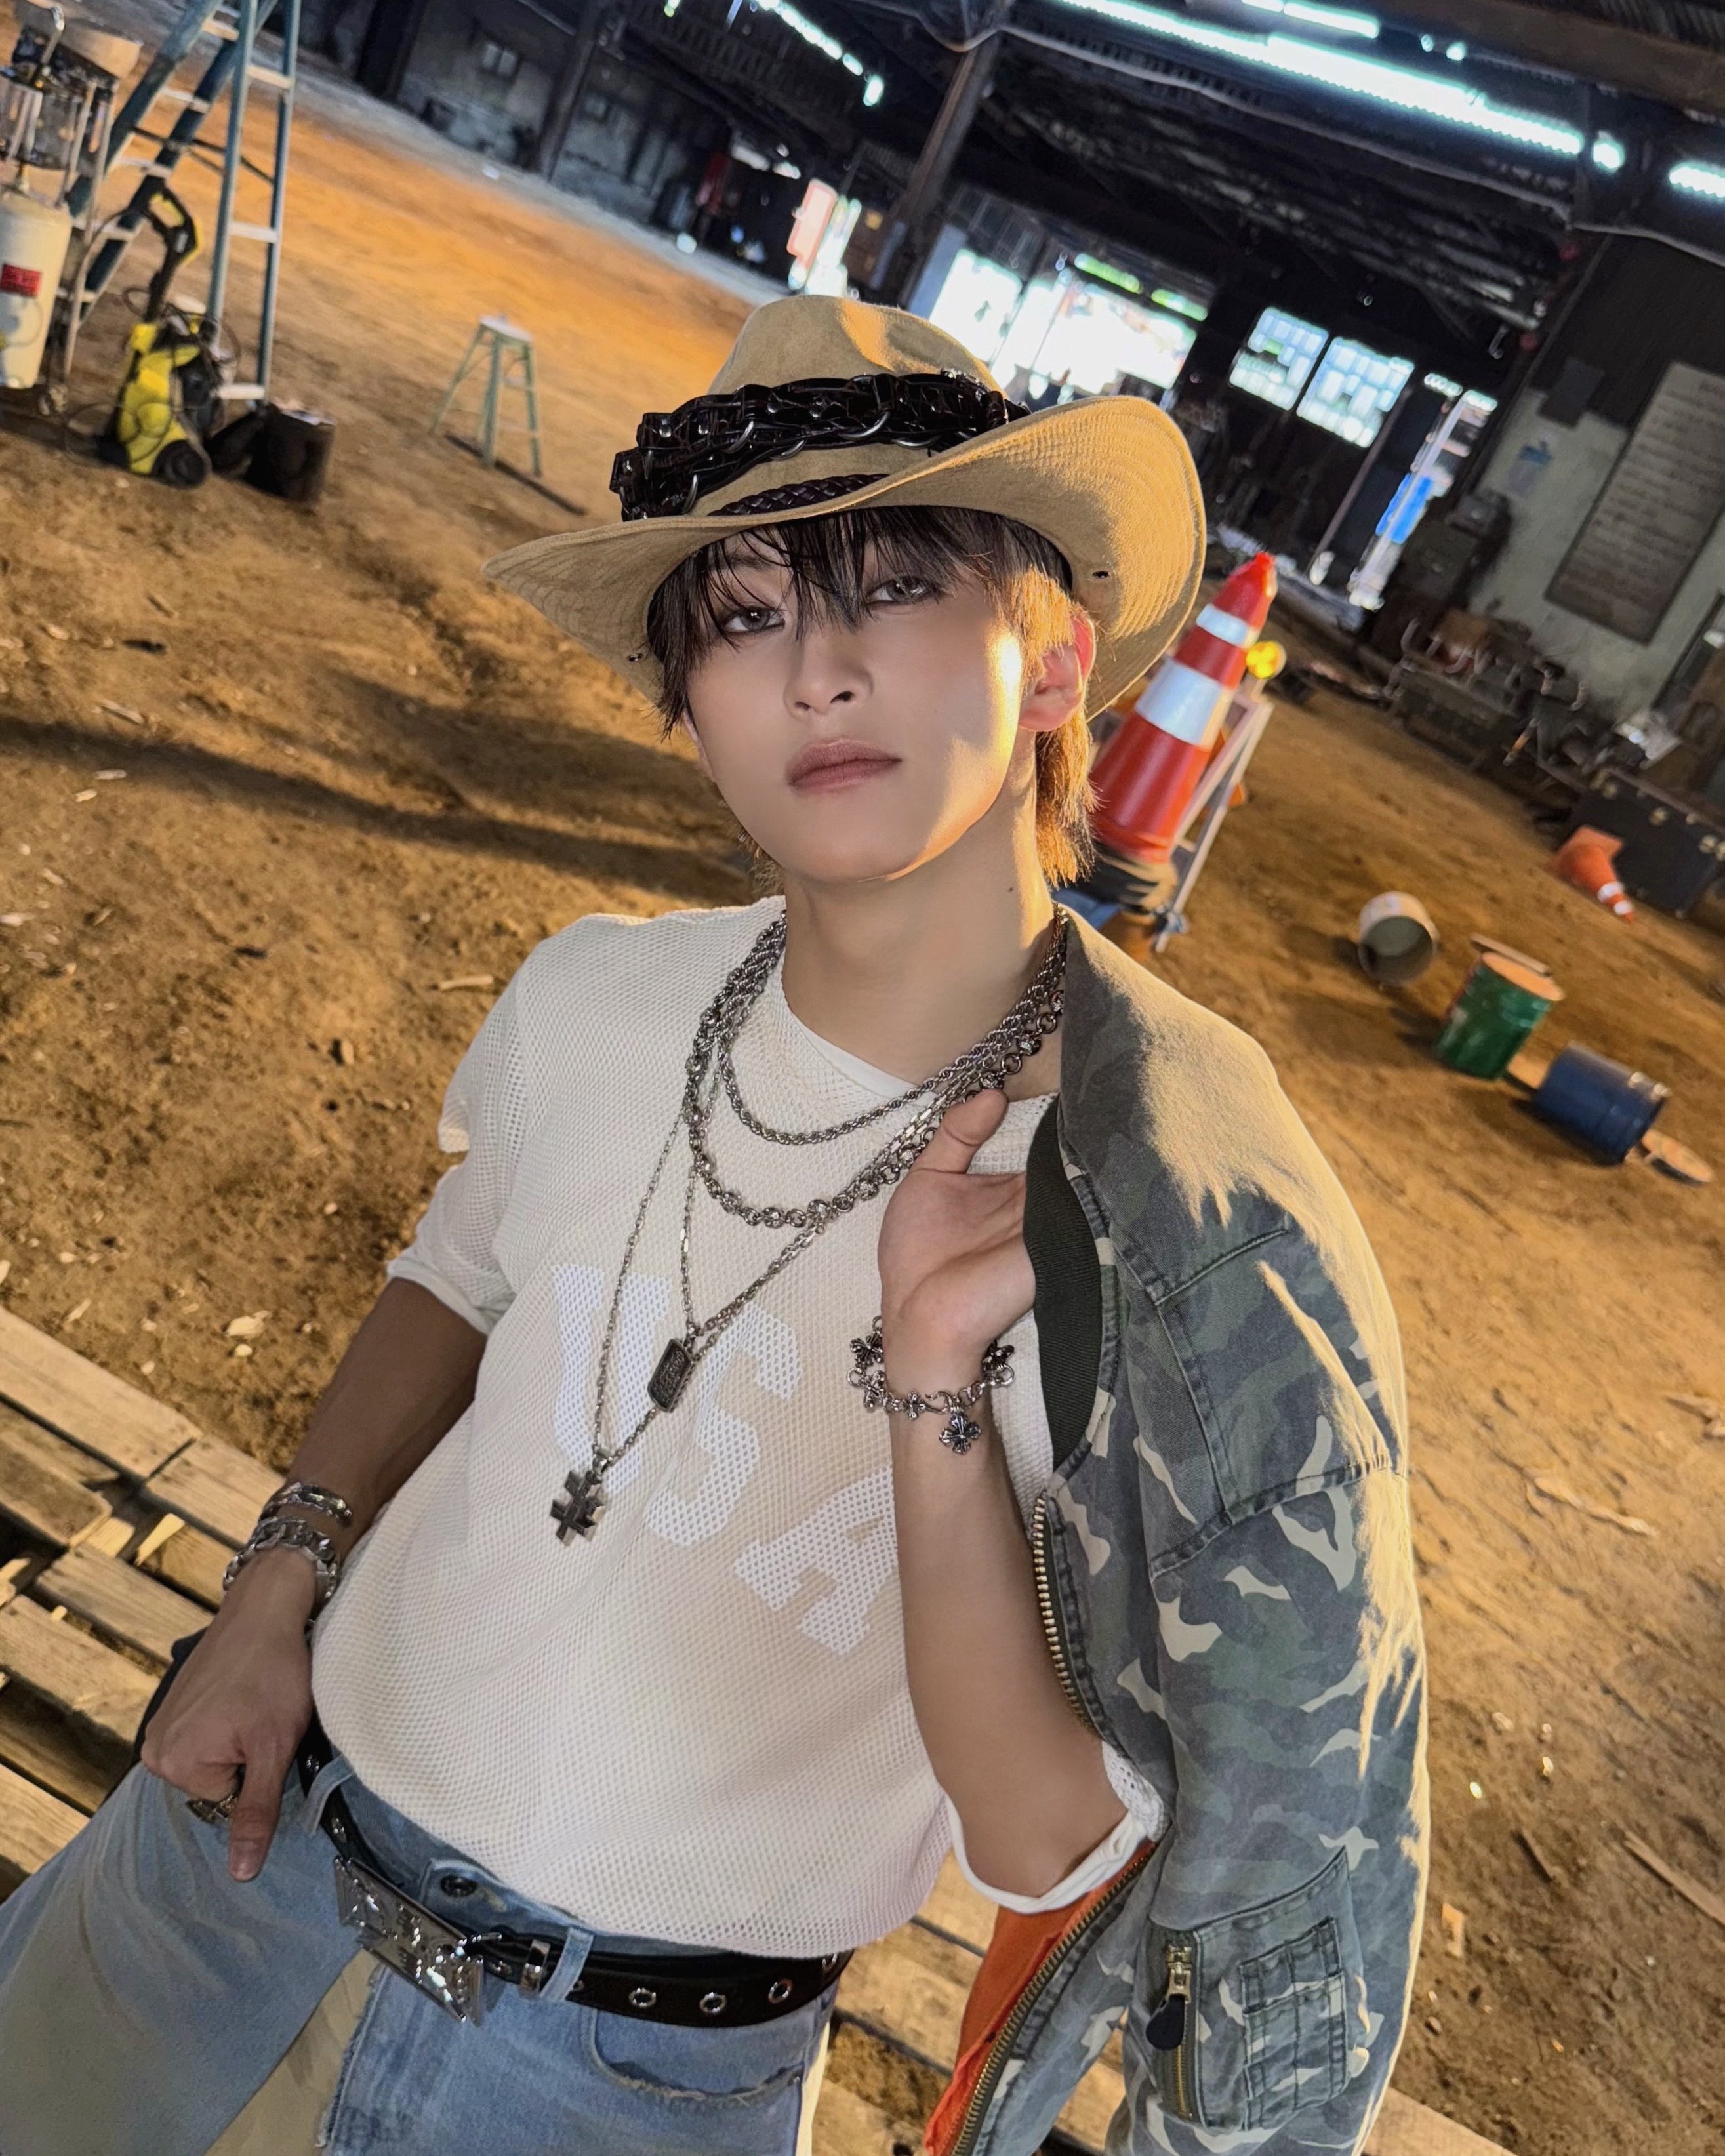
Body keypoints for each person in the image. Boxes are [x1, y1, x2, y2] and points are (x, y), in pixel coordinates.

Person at [0, 298, 1427, 2156]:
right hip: (230, 1875)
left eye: (894, 588)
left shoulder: (1157, 1212)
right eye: (743, 620)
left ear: (1056, 663)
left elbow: (1040, 1842)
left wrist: (933, 1380)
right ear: (690, 716)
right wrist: (274, 1587)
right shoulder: (602, 996)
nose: (818, 671)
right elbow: (460, 1272)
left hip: (623, 2083)